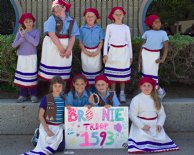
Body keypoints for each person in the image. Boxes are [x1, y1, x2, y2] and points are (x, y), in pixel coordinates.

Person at [128, 77, 179, 153]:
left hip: (154, 125)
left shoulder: (156, 99)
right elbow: (132, 115)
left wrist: (159, 124)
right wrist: (142, 126)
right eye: (144, 85)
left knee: (161, 139)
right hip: (141, 124)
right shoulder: (136, 99)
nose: (146, 87)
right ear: (140, 87)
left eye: (149, 85)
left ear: (153, 87)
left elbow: (162, 114)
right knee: (142, 138)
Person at [38, 0, 79, 87]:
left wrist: (68, 50)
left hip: (66, 45)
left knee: (63, 68)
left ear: (64, 8)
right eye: (55, 11)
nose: (56, 13)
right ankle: (53, 92)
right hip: (53, 45)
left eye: (59, 10)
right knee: (52, 69)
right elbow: (52, 34)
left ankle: (62, 91)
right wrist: (60, 49)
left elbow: (73, 36)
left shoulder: (72, 21)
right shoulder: (52, 19)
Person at [23, 76, 66, 155]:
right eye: (55, 86)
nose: (57, 88)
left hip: (58, 126)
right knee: (41, 146)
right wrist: (47, 130)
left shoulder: (64, 99)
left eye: (60, 86)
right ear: (51, 86)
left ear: (62, 87)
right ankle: (38, 134)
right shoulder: (46, 98)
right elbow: (40, 115)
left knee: (60, 148)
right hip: (47, 125)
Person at [103, 6, 133, 103]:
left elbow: (129, 41)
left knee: (122, 76)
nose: (118, 16)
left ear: (123, 15)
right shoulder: (110, 27)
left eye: (120, 14)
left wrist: (131, 56)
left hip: (124, 52)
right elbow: (106, 40)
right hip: (112, 52)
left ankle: (122, 93)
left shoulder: (126, 27)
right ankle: (113, 93)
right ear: (113, 16)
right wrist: (105, 54)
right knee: (112, 76)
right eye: (116, 14)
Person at [138, 14, 169, 100]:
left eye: (159, 22)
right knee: (145, 76)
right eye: (156, 22)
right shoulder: (147, 33)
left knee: (153, 76)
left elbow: (166, 46)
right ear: (151, 24)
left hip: (155, 55)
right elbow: (142, 46)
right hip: (145, 55)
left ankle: (160, 91)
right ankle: (147, 94)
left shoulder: (163, 33)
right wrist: (139, 61)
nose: (159, 24)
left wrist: (163, 58)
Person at [12, 13, 40, 103]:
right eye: (26, 22)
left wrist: (26, 35)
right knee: (23, 76)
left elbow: (35, 43)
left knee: (31, 75)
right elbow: (13, 45)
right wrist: (21, 38)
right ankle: (22, 95)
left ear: (33, 22)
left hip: (32, 57)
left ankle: (33, 95)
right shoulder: (19, 33)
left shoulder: (36, 32)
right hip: (22, 57)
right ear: (23, 23)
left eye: (30, 21)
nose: (28, 23)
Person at [77, 8, 104, 89]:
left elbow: (101, 41)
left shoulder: (99, 29)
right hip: (85, 52)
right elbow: (80, 42)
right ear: (85, 17)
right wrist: (85, 51)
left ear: (95, 18)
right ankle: (87, 88)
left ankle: (96, 88)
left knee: (96, 69)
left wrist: (98, 50)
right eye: (88, 16)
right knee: (87, 69)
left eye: (92, 16)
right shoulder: (82, 29)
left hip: (96, 52)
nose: (90, 18)